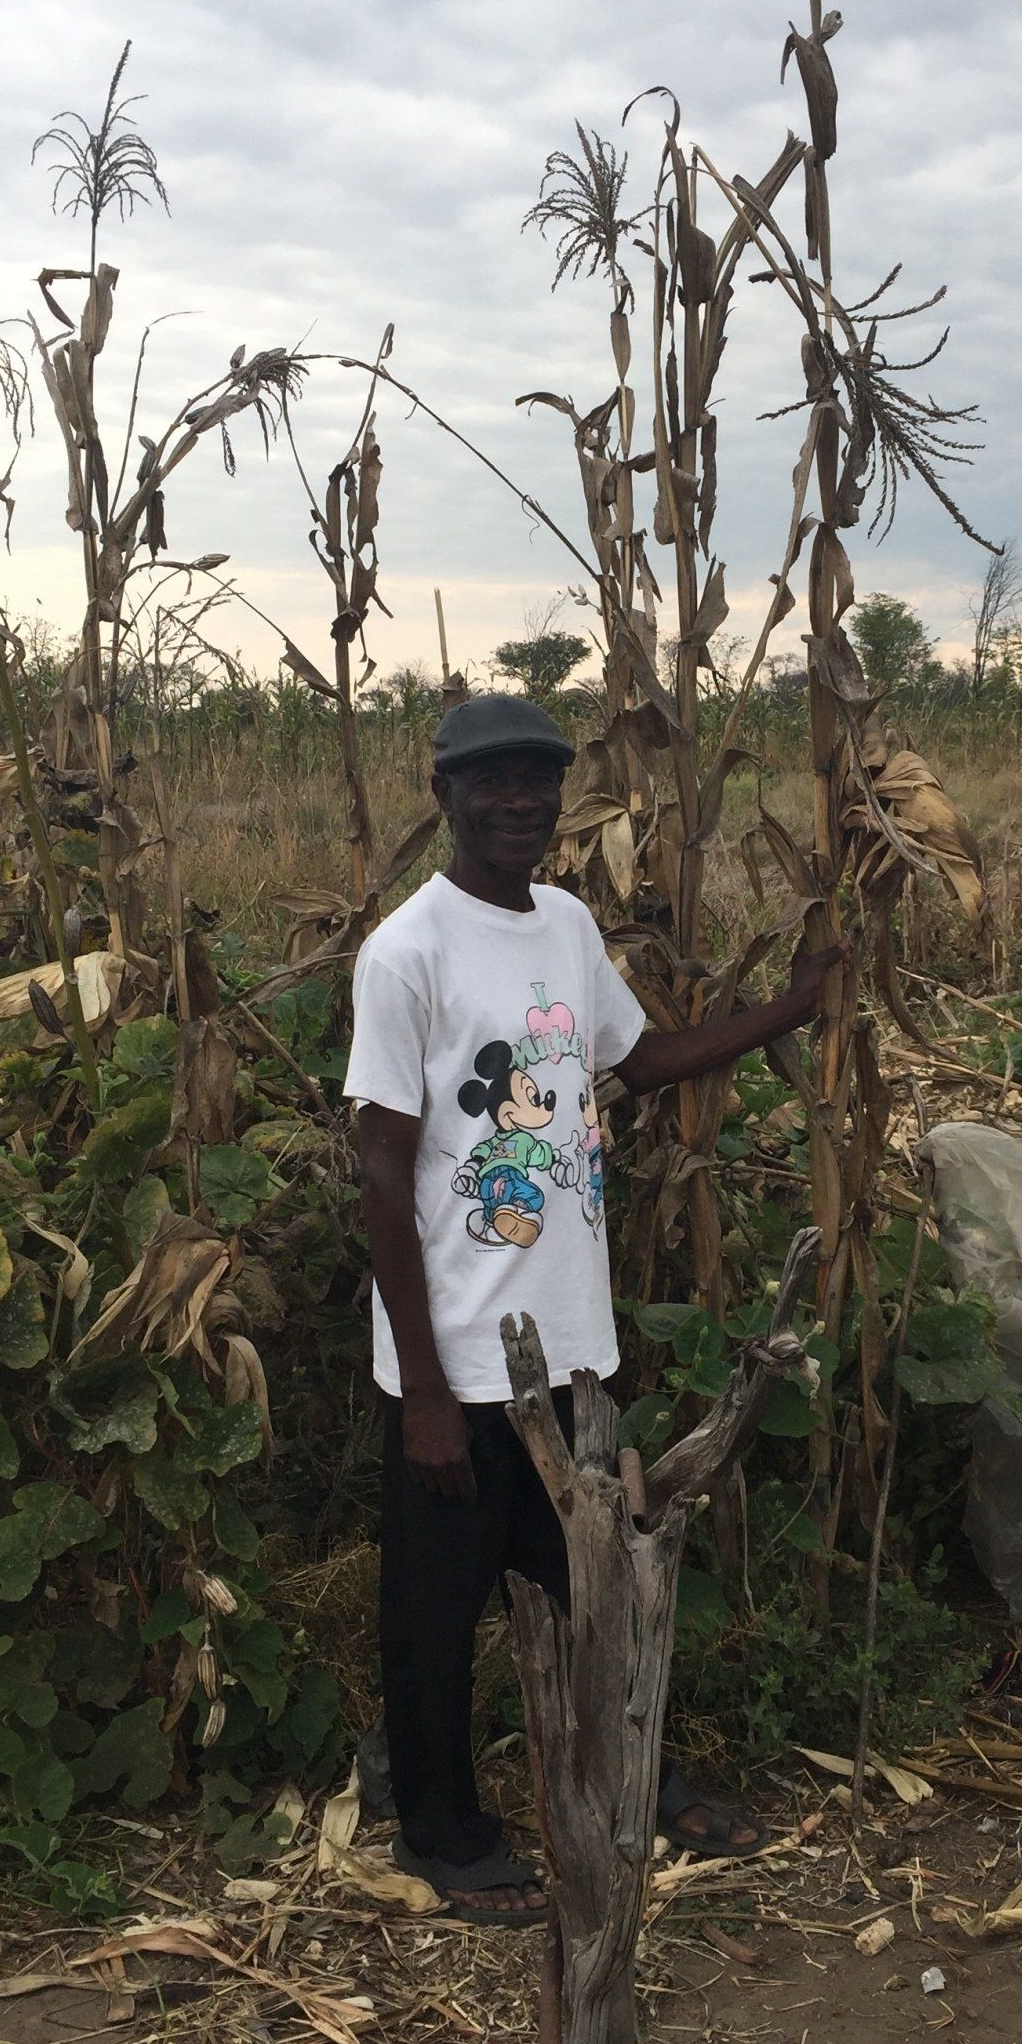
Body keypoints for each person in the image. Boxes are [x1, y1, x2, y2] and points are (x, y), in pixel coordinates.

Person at [346, 691, 840, 1924]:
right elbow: (380, 1175)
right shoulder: (408, 952)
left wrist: (791, 1007)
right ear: (445, 795)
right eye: (492, 781)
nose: (520, 801)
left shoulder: (564, 925)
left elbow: (639, 1059)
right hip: (461, 1365)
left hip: (572, 1347)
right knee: (435, 1616)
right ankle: (441, 1832)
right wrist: (423, 1393)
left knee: (591, 1590)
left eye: (539, 781)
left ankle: (636, 1775)